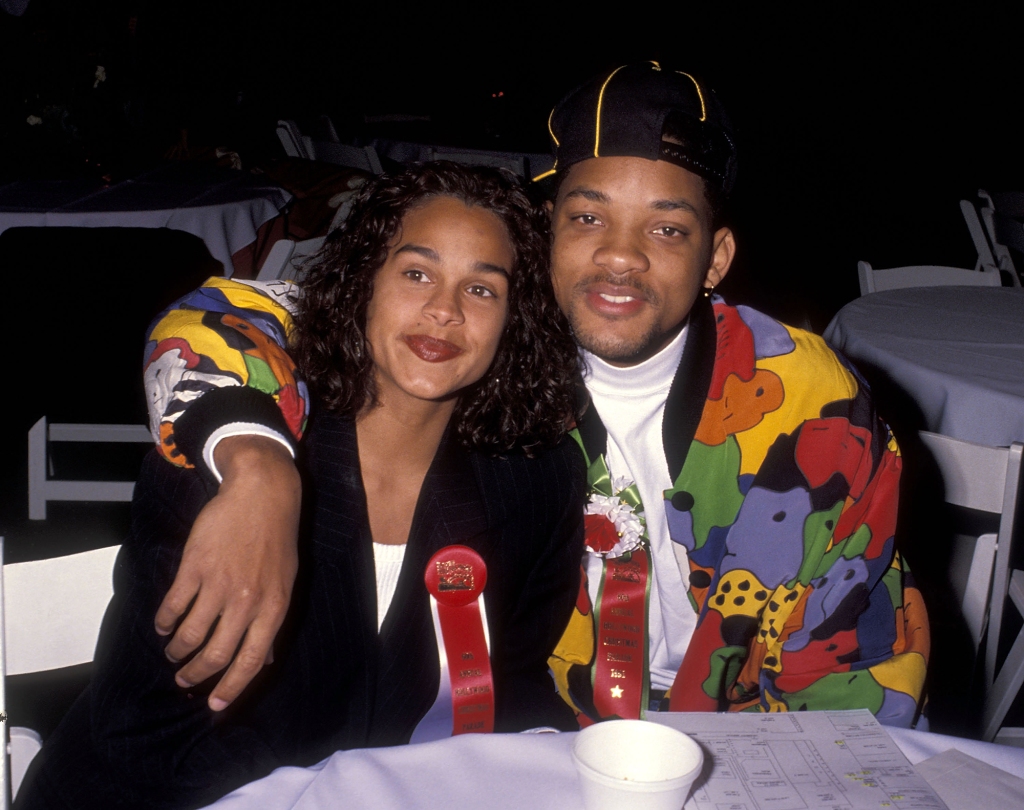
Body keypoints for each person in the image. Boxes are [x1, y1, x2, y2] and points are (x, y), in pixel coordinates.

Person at [73, 61, 928, 735]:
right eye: (587, 218)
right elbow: (225, 312)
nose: (621, 258)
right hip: (561, 738)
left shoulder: (811, 404)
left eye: (667, 229)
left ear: (716, 257)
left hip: (762, 732)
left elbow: (855, 663)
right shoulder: (498, 350)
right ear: (546, 234)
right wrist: (256, 465)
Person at [18, 163, 586, 810]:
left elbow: (512, 686)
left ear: (514, 318)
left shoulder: (535, 482)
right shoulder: (227, 469)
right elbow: (144, 738)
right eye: (416, 273)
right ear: (363, 283)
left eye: (482, 289)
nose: (444, 311)